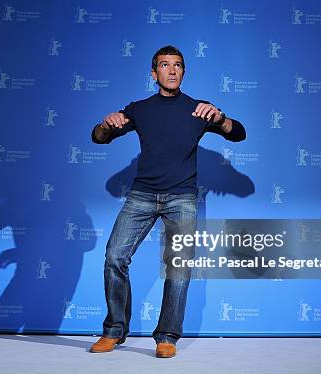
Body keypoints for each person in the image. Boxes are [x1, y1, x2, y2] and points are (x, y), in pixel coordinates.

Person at [89, 45, 246, 358]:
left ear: (183, 72)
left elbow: (237, 134)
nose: (172, 70)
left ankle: (167, 337)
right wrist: (106, 124)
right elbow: (98, 138)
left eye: (178, 65)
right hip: (141, 195)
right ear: (154, 73)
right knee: (114, 258)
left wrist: (221, 117)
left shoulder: (199, 109)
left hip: (182, 198)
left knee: (178, 269)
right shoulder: (140, 109)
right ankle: (114, 331)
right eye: (165, 65)